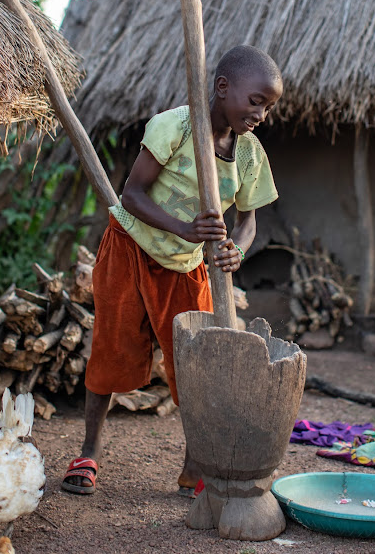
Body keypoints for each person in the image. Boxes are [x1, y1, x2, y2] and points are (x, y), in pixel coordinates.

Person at [61, 45, 283, 495]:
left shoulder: (249, 155)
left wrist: (235, 251)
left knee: (197, 362)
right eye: (255, 100)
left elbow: (247, 222)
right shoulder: (176, 126)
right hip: (130, 249)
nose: (261, 113)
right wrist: (186, 227)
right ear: (222, 88)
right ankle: (88, 451)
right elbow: (132, 196)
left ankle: (195, 467)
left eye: (269, 106)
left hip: (185, 267)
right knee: (113, 346)